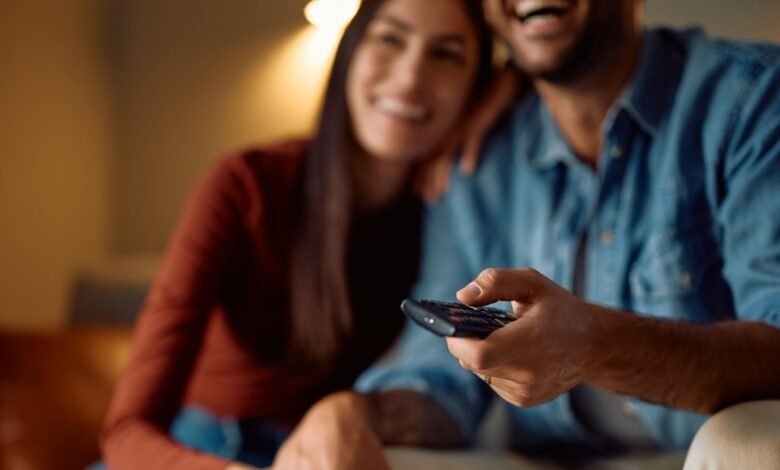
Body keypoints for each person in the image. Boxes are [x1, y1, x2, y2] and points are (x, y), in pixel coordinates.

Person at [274, 0, 780, 467]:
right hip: (546, 460)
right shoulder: (478, 159)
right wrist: (358, 411)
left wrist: (596, 346)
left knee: (742, 445)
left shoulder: (753, 98)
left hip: (702, 450)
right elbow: (439, 375)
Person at [95, 0, 494, 468]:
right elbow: (125, 431)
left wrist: (504, 93)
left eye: (446, 54)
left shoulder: (450, 213)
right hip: (198, 449)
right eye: (389, 39)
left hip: (321, 449)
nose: (409, 77)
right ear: (350, 52)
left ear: (477, 87)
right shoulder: (246, 186)